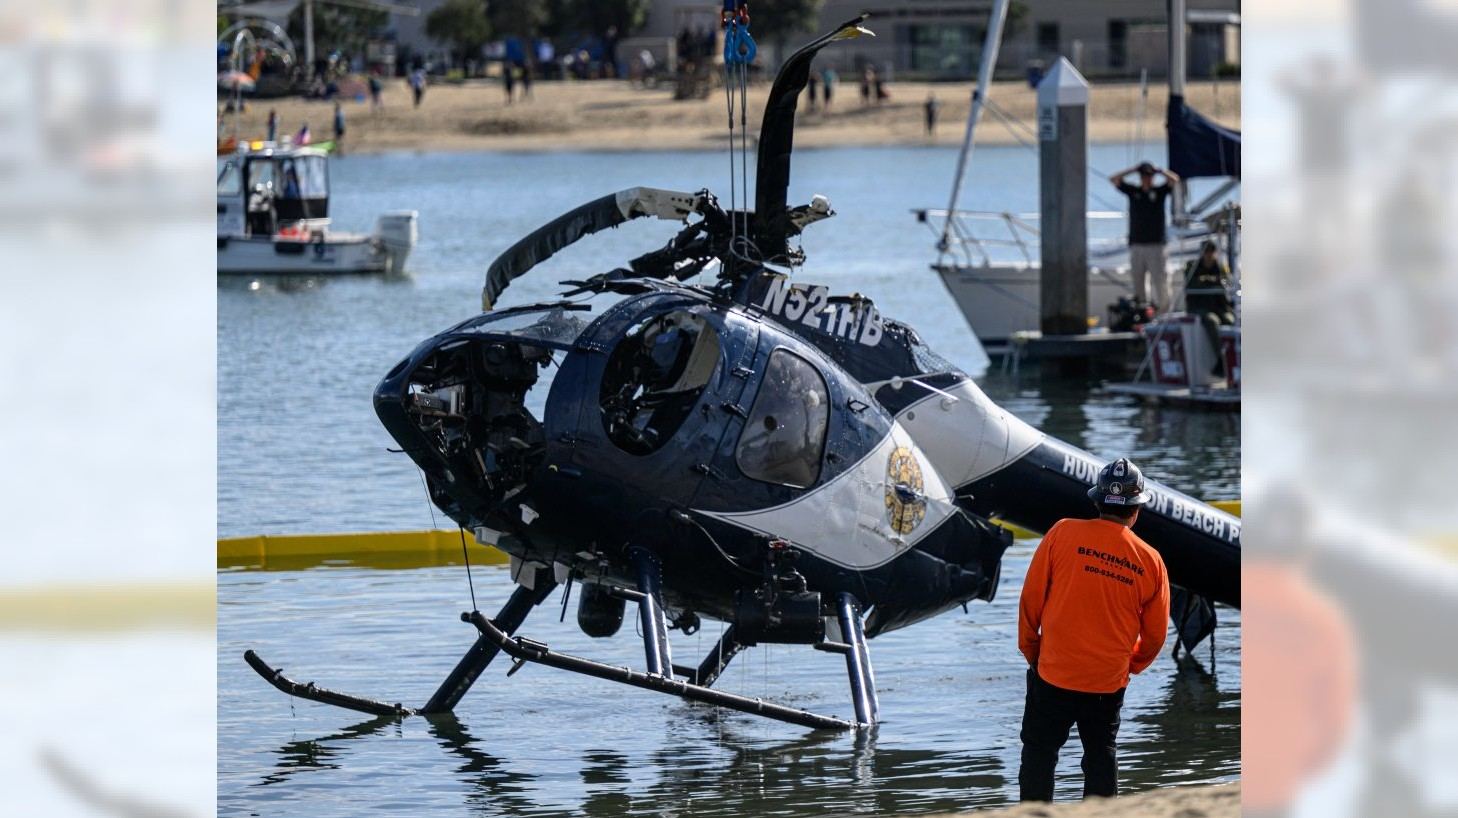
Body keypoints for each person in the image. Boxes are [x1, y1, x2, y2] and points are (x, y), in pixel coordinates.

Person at [1018, 457, 1170, 802]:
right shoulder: (1150, 560)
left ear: (1097, 502)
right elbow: (1156, 635)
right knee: (1101, 755)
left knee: (1040, 753)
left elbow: (1030, 601)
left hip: (1053, 674)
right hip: (1106, 681)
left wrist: (1033, 652)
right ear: (1136, 511)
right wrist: (1129, 664)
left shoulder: (1061, 533)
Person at [1110, 162, 1180, 312]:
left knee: (1161, 281)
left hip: (1156, 245)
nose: (1147, 178)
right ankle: (1143, 312)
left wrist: (1160, 170)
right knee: (1138, 283)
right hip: (1137, 245)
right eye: (1144, 175)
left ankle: (1164, 313)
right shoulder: (1133, 191)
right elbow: (1113, 179)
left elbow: (1174, 180)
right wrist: (1132, 170)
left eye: (1149, 175)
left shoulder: (1159, 192)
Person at [1182, 240, 1234, 374]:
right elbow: (1193, 283)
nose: (1209, 255)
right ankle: (1220, 358)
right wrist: (1212, 281)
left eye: (1212, 252)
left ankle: (1234, 358)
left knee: (1230, 320)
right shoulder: (1192, 266)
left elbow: (1226, 282)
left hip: (1218, 306)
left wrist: (1207, 280)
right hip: (1199, 306)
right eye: (1206, 252)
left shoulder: (1220, 267)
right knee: (1212, 321)